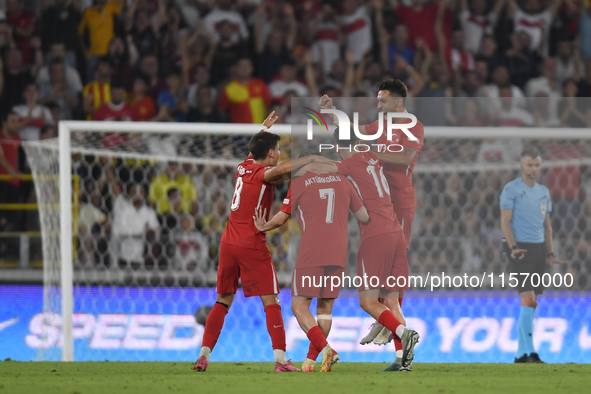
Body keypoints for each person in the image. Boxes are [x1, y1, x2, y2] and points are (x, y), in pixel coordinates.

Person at [193, 112, 331, 373]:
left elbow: (263, 159)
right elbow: (279, 171)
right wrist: (311, 158)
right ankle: (280, 361)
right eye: (278, 149)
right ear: (270, 154)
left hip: (228, 242)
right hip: (251, 242)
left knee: (223, 300)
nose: (279, 152)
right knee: (272, 302)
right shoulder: (261, 173)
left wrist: (262, 129)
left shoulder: (243, 167)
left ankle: (203, 355)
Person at [299, 129, 419, 372]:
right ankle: (401, 360)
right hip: (396, 232)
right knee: (391, 301)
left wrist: (302, 164)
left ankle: (404, 334)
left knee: (367, 301)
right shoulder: (372, 157)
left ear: (336, 145)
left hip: (375, 236)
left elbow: (321, 169)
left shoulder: (348, 165)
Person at [319, 79, 425, 351]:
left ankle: (387, 320)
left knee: (394, 269)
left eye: (383, 101)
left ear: (398, 102)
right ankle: (387, 319)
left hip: (399, 202)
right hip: (381, 201)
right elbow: (352, 132)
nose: (377, 105)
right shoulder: (381, 126)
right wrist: (332, 113)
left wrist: (369, 152)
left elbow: (404, 159)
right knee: (388, 267)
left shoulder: (413, 126)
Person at [253, 154, 369, 373]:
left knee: (299, 306)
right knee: (324, 310)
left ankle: (326, 350)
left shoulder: (300, 182)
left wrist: (262, 227)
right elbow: (363, 216)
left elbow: (281, 218)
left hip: (312, 251)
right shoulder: (345, 181)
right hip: (338, 252)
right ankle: (310, 360)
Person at [500, 147, 567, 363]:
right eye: (530, 164)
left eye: (537, 164)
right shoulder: (511, 189)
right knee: (528, 300)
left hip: (539, 249)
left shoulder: (544, 192)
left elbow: (547, 227)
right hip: (519, 248)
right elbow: (505, 221)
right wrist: (512, 248)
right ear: (521, 165)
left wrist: (550, 253)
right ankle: (531, 353)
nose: (533, 168)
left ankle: (520, 354)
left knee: (532, 302)